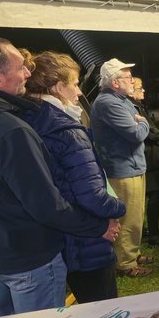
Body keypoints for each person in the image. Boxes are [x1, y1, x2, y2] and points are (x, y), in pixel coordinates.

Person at [0, 36, 118, 317]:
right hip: (28, 257)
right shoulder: (10, 130)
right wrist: (97, 227)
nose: (27, 73)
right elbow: (47, 205)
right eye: (21, 67)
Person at [20, 51, 126, 302]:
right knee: (103, 313)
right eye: (75, 85)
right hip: (86, 239)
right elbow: (92, 195)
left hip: (55, 236)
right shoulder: (66, 129)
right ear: (58, 87)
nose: (79, 93)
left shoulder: (27, 118)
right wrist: (119, 208)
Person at [92, 58, 153, 278]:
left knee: (135, 216)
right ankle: (125, 263)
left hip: (131, 166)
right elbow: (136, 133)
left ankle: (131, 253)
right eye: (127, 77)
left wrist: (139, 121)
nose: (131, 81)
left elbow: (136, 126)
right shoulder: (109, 103)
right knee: (128, 218)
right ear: (115, 82)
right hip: (122, 168)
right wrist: (143, 122)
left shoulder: (120, 100)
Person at [130, 77, 159, 247]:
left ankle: (146, 230)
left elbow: (149, 126)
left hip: (149, 156)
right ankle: (152, 233)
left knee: (152, 194)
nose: (143, 91)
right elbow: (146, 129)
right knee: (153, 194)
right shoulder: (131, 107)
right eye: (140, 88)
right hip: (147, 157)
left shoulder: (137, 106)